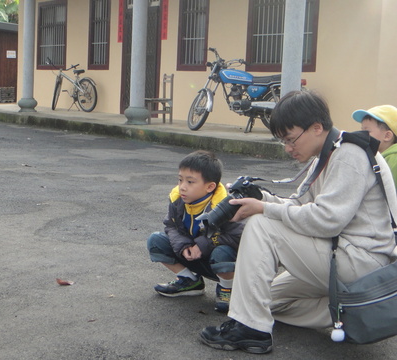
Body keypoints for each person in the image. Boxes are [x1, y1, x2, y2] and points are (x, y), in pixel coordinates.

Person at [199, 90, 397, 354]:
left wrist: (264, 210)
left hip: (362, 262)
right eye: (283, 141)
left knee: (262, 226)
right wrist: (261, 199)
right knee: (263, 299)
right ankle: (351, 313)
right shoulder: (328, 154)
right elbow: (298, 205)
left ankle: (251, 330)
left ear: (316, 128)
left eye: (291, 139)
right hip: (340, 255)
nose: (288, 148)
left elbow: (327, 220)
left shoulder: (350, 154)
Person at [147, 150, 244, 313]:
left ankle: (227, 289)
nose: (182, 187)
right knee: (156, 241)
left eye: (190, 182)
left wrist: (202, 245)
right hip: (192, 254)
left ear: (210, 187)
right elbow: (170, 226)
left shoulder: (225, 207)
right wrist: (184, 246)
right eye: (180, 180)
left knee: (223, 251)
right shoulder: (177, 200)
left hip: (223, 262)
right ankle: (190, 281)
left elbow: (236, 236)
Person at [353, 105, 397, 189]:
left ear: (387, 136)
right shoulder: (375, 157)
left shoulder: (394, 158)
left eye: (367, 131)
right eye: (362, 130)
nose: (361, 134)